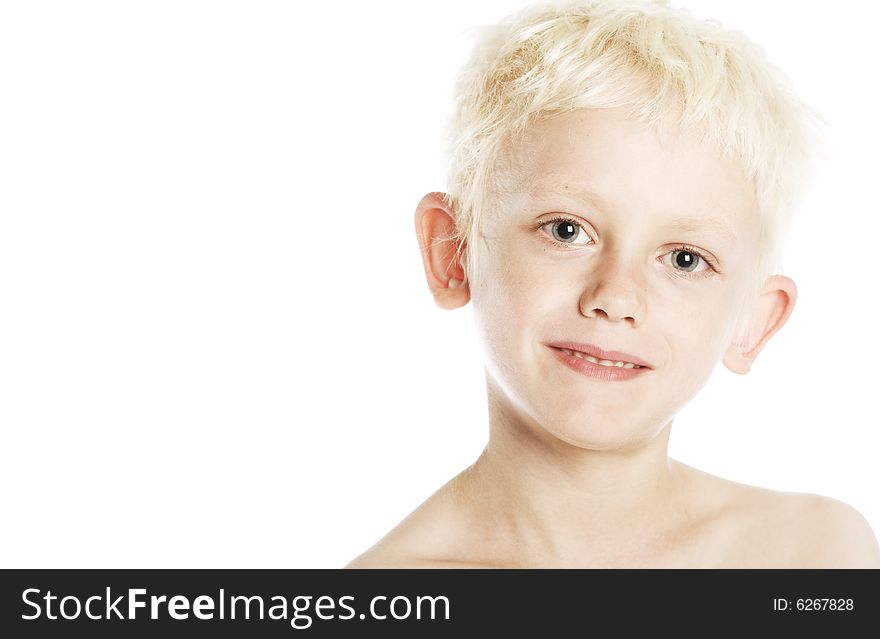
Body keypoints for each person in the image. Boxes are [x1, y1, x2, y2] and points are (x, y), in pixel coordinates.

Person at [346, 0, 880, 568]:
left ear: (753, 321)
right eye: (568, 230)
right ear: (451, 251)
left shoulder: (814, 553)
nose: (616, 297)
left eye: (684, 260)